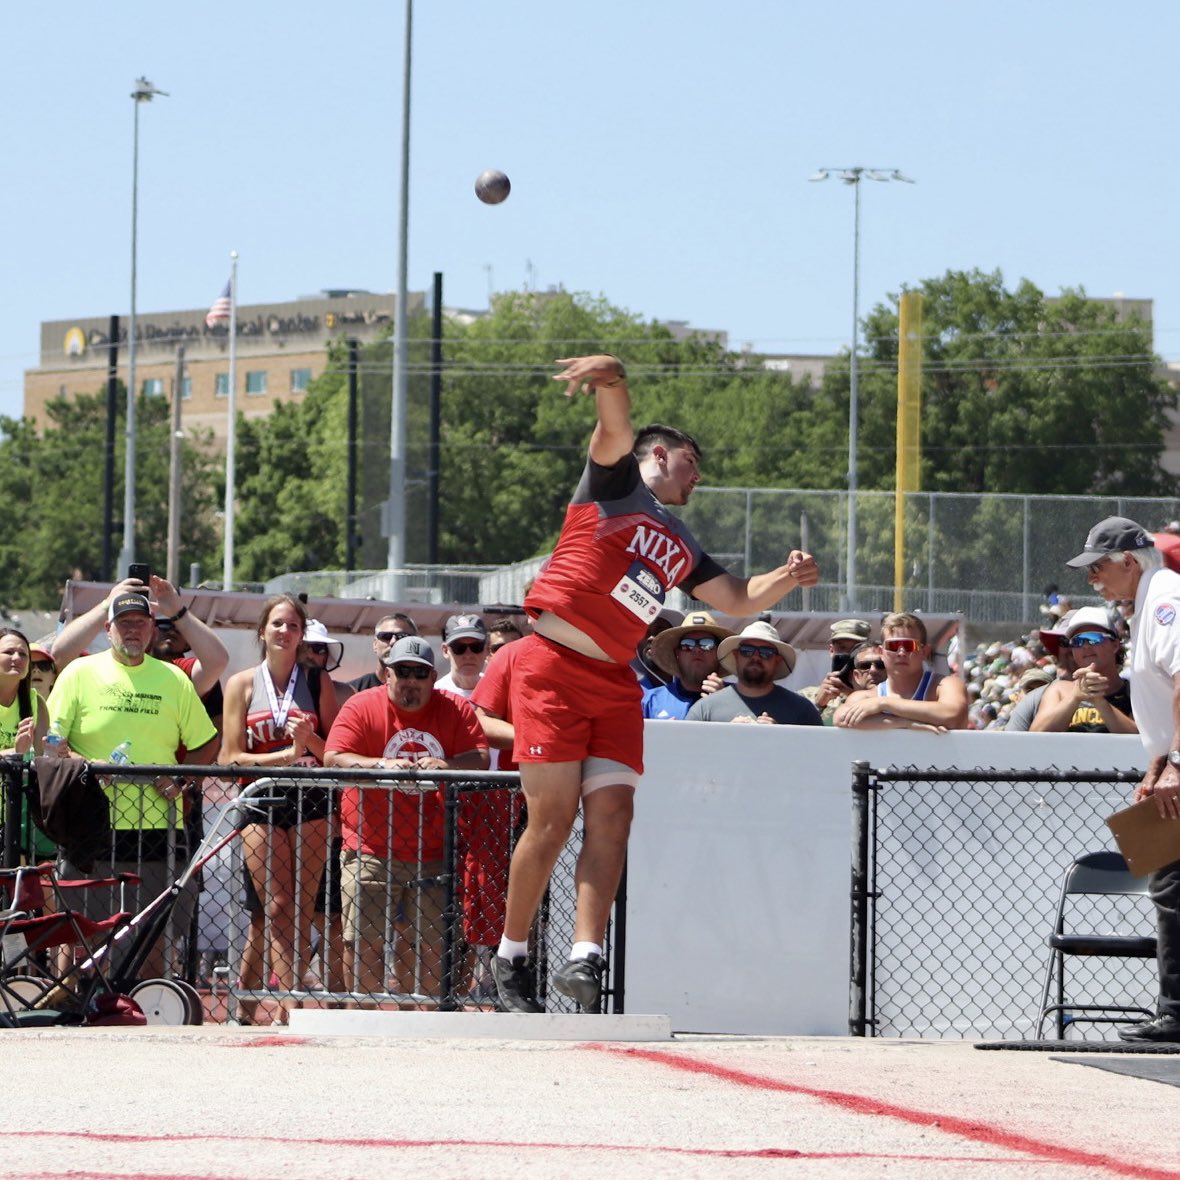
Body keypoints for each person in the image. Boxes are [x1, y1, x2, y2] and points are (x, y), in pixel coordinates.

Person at [492, 353, 819, 1014]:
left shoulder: (682, 538)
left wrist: (787, 577)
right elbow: (614, 423)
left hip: (614, 677)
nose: (698, 477)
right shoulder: (613, 483)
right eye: (692, 462)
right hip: (552, 663)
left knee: (613, 816)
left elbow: (736, 596)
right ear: (661, 455)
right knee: (551, 823)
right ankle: (512, 955)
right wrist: (611, 376)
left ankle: (585, 956)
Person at [1052, 517, 1180, 1043]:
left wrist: (1176, 762)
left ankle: (1177, 1013)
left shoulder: (1165, 596)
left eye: (1099, 567)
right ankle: (1175, 1010)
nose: (1092, 579)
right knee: (1169, 881)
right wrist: (1160, 759)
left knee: (1172, 885)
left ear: (1130, 560)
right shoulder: (1153, 596)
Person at [46, 591, 219, 977]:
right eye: (124, 623)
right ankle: (71, 1007)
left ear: (153, 631)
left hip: (156, 827)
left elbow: (207, 742)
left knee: (151, 931)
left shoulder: (174, 678)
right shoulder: (79, 672)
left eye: (141, 623)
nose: (133, 630)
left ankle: (146, 1012)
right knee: (79, 930)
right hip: (89, 821)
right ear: (107, 630)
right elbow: (52, 741)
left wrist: (180, 777)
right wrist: (87, 765)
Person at [324, 636, 488, 997]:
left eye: (419, 673)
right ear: (386, 674)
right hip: (369, 847)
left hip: (433, 850)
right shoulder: (360, 706)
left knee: (429, 946)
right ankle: (364, 1029)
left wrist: (446, 765)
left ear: (433, 676)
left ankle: (423, 1030)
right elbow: (334, 756)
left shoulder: (455, 709)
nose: (411, 680)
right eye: (403, 671)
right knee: (362, 943)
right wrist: (382, 765)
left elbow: (480, 756)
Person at [219, 594, 339, 1022]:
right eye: (277, 624)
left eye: (292, 626)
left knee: (303, 908)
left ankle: (273, 1009)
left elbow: (336, 754)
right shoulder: (242, 684)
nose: (284, 632)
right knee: (274, 906)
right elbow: (228, 757)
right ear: (262, 631)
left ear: (301, 634)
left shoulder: (316, 681)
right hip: (262, 797)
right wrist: (283, 757)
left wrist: (309, 742)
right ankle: (289, 1006)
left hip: (311, 800)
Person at [834, 612, 969, 731]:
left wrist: (884, 704)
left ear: (924, 652)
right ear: (881, 652)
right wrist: (905, 723)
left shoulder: (946, 685)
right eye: (893, 646)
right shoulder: (868, 697)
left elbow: (952, 715)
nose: (901, 652)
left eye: (909, 645)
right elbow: (841, 718)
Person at [685, 621, 821, 725]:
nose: (756, 657)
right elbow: (687, 756)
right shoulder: (704, 710)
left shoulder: (802, 711)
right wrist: (725, 735)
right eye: (747, 650)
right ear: (736, 655)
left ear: (777, 660)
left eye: (766, 653)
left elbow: (819, 757)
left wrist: (780, 737)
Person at [1028, 606, 1135, 734]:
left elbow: (1143, 742)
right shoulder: (1059, 690)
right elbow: (1036, 736)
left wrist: (1100, 702)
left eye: (1093, 638)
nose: (1085, 646)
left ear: (1115, 645)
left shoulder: (1134, 692)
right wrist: (1074, 698)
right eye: (1077, 641)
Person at [642, 611, 733, 720]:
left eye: (707, 644)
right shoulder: (651, 701)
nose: (696, 649)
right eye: (687, 644)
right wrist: (662, 734)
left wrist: (727, 704)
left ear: (718, 653)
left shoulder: (739, 698)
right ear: (677, 654)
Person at [799, 619, 872, 724]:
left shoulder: (879, 695)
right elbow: (796, 733)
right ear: (831, 650)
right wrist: (818, 705)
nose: (848, 655)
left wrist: (856, 696)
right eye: (842, 648)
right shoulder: (806, 697)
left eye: (856, 648)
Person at [349, 614, 418, 692]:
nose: (393, 642)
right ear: (375, 644)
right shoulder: (352, 691)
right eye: (386, 636)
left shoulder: (424, 693)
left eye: (402, 637)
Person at [435, 614, 488, 697]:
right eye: (459, 648)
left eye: (476, 647)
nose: (468, 655)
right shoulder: (437, 694)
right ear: (445, 650)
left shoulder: (498, 689)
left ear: (486, 649)